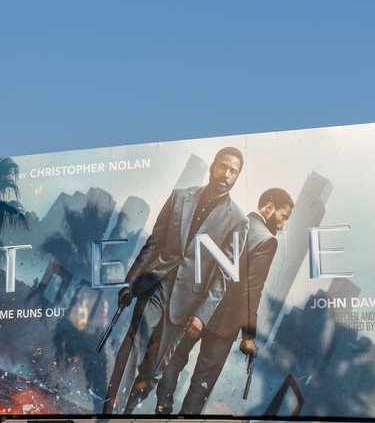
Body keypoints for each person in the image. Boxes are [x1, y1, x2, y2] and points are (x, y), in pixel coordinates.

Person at [103, 147, 249, 415]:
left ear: (237, 177)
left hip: (188, 303)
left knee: (154, 367)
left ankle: (129, 408)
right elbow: (153, 242)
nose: (226, 174)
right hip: (155, 285)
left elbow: (223, 275)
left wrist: (202, 315)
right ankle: (111, 411)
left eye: (233, 171)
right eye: (223, 167)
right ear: (213, 166)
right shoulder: (180, 196)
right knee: (132, 346)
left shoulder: (238, 221)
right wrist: (130, 282)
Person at [156, 187, 294, 415]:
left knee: (176, 358)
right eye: (283, 216)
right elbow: (252, 290)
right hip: (225, 325)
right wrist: (248, 336)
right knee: (202, 382)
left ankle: (163, 410)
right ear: (269, 208)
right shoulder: (267, 241)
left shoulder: (233, 221)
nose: (282, 224)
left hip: (197, 310)